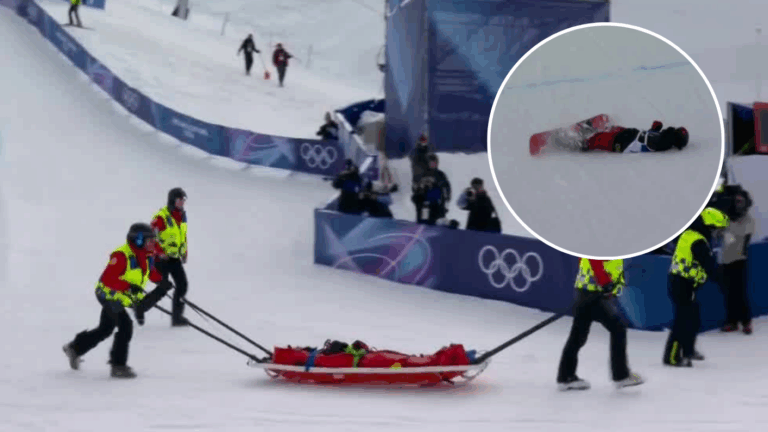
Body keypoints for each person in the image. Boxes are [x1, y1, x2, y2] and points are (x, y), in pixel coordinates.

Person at [62, 223, 172, 378]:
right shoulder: (121, 256)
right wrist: (128, 286)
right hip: (108, 294)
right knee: (126, 326)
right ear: (138, 240)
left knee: (105, 329)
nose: (153, 244)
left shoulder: (146, 256)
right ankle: (118, 366)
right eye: (149, 240)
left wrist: (162, 282)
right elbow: (108, 279)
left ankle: (75, 348)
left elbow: (150, 273)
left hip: (123, 295)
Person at [557, 259, 644, 391]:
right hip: (593, 292)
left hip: (586, 289)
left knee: (578, 336)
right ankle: (621, 376)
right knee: (617, 329)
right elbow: (594, 259)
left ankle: (566, 376)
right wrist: (604, 282)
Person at [663, 207, 729, 367]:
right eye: (717, 229)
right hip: (681, 284)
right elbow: (709, 266)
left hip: (683, 283)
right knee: (682, 320)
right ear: (710, 226)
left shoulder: (692, 235)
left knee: (693, 317)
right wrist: (724, 281)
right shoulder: (698, 241)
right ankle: (671, 357)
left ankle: (688, 350)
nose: (717, 233)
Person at [151, 188, 190, 327]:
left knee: (182, 285)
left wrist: (184, 252)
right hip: (161, 259)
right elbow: (151, 238)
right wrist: (159, 252)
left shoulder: (182, 216)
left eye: (183, 200)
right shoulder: (162, 217)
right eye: (180, 200)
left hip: (174, 258)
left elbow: (182, 237)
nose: (182, 203)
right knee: (163, 288)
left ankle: (177, 317)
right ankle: (140, 306)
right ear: (172, 200)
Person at [720, 188, 755, 334]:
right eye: (736, 201)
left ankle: (746, 322)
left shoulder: (748, 220)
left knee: (740, 293)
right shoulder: (726, 218)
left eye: (741, 201)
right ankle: (731, 322)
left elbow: (740, 234)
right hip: (725, 260)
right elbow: (718, 233)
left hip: (739, 260)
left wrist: (728, 227)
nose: (738, 204)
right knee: (728, 293)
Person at [581, 120, 689, 153]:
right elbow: (650, 136)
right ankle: (589, 129)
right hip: (629, 134)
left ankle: (580, 143)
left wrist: (669, 132)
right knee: (609, 125)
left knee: (598, 138)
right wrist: (655, 128)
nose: (673, 128)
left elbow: (659, 141)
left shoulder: (665, 143)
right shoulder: (662, 138)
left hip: (623, 143)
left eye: (676, 131)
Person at [411, 153, 451, 225]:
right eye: (430, 162)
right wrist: (421, 188)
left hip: (437, 205)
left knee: (436, 225)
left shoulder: (441, 174)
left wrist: (445, 206)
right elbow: (415, 189)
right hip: (424, 205)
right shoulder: (421, 174)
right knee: (422, 224)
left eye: (434, 162)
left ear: (437, 163)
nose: (432, 164)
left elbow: (447, 190)